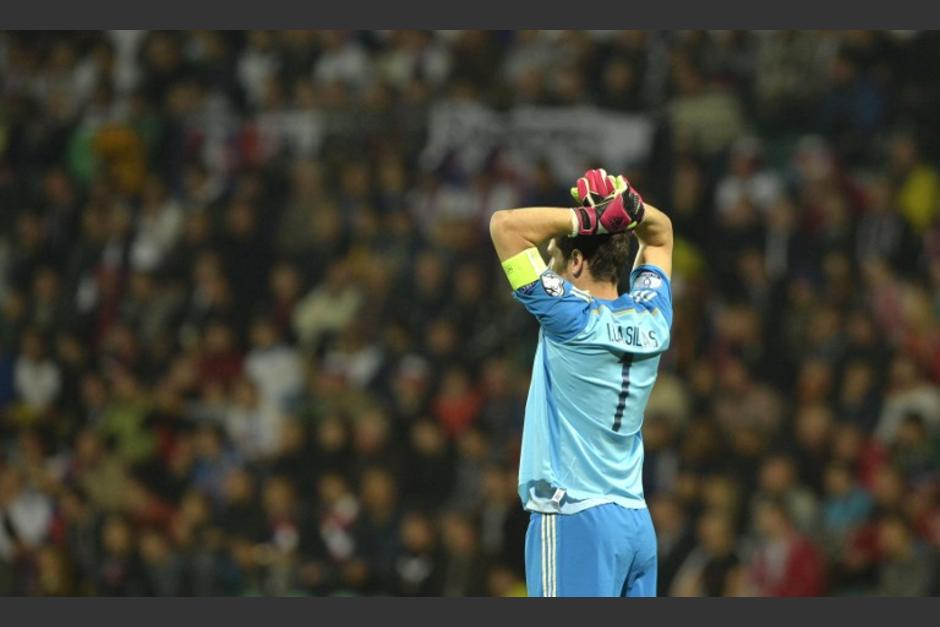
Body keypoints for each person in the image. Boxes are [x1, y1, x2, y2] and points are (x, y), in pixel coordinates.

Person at [489, 169, 673, 597]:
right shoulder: (654, 318)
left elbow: (504, 226)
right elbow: (661, 236)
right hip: (634, 522)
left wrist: (588, 220)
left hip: (575, 518)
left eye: (554, 258)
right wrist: (629, 206)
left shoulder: (571, 320)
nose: (550, 266)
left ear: (575, 262)